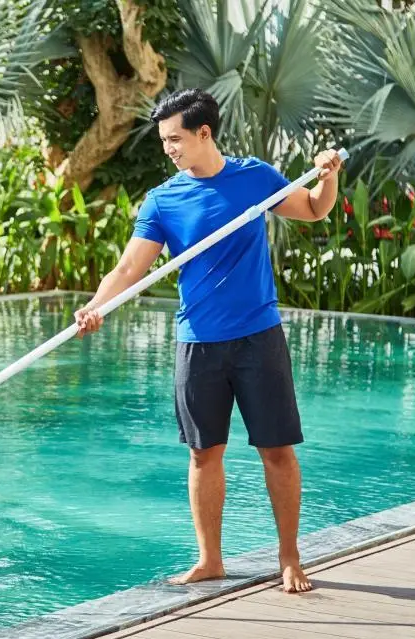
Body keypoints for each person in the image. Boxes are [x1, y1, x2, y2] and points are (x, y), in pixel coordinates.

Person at [73, 88, 342, 594]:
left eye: (175, 138)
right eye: (163, 141)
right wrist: (96, 306)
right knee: (203, 454)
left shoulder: (255, 178)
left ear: (204, 133)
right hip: (198, 342)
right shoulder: (164, 200)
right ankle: (210, 560)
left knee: (277, 451)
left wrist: (328, 178)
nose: (168, 148)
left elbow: (312, 209)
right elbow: (130, 267)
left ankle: (289, 558)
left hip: (259, 338)